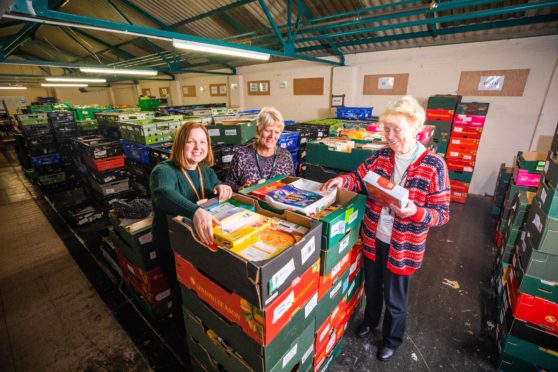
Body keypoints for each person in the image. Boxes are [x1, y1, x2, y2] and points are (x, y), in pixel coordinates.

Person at [321, 96, 450, 362]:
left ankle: (392, 339)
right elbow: (358, 177)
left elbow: (441, 215)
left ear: (417, 130)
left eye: (396, 129)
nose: (390, 136)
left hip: (403, 247)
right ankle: (369, 321)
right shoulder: (381, 156)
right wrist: (341, 180)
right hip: (374, 236)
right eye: (387, 129)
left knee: (395, 299)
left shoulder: (434, 166)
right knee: (373, 286)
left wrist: (415, 212)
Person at [150, 121, 232, 330]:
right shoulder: (164, 170)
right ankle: (182, 331)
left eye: (203, 141)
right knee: (181, 291)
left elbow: (214, 187)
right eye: (191, 141)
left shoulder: (206, 170)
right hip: (170, 245)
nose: (198, 147)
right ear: (180, 144)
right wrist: (195, 210)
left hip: (197, 243)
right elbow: (162, 194)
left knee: (200, 290)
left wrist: (222, 187)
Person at [226, 107, 295, 191]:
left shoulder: (285, 156)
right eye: (268, 130)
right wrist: (243, 188)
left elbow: (292, 184)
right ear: (258, 130)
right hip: (251, 202)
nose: (272, 136)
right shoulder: (241, 155)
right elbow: (229, 185)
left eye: (277, 132)